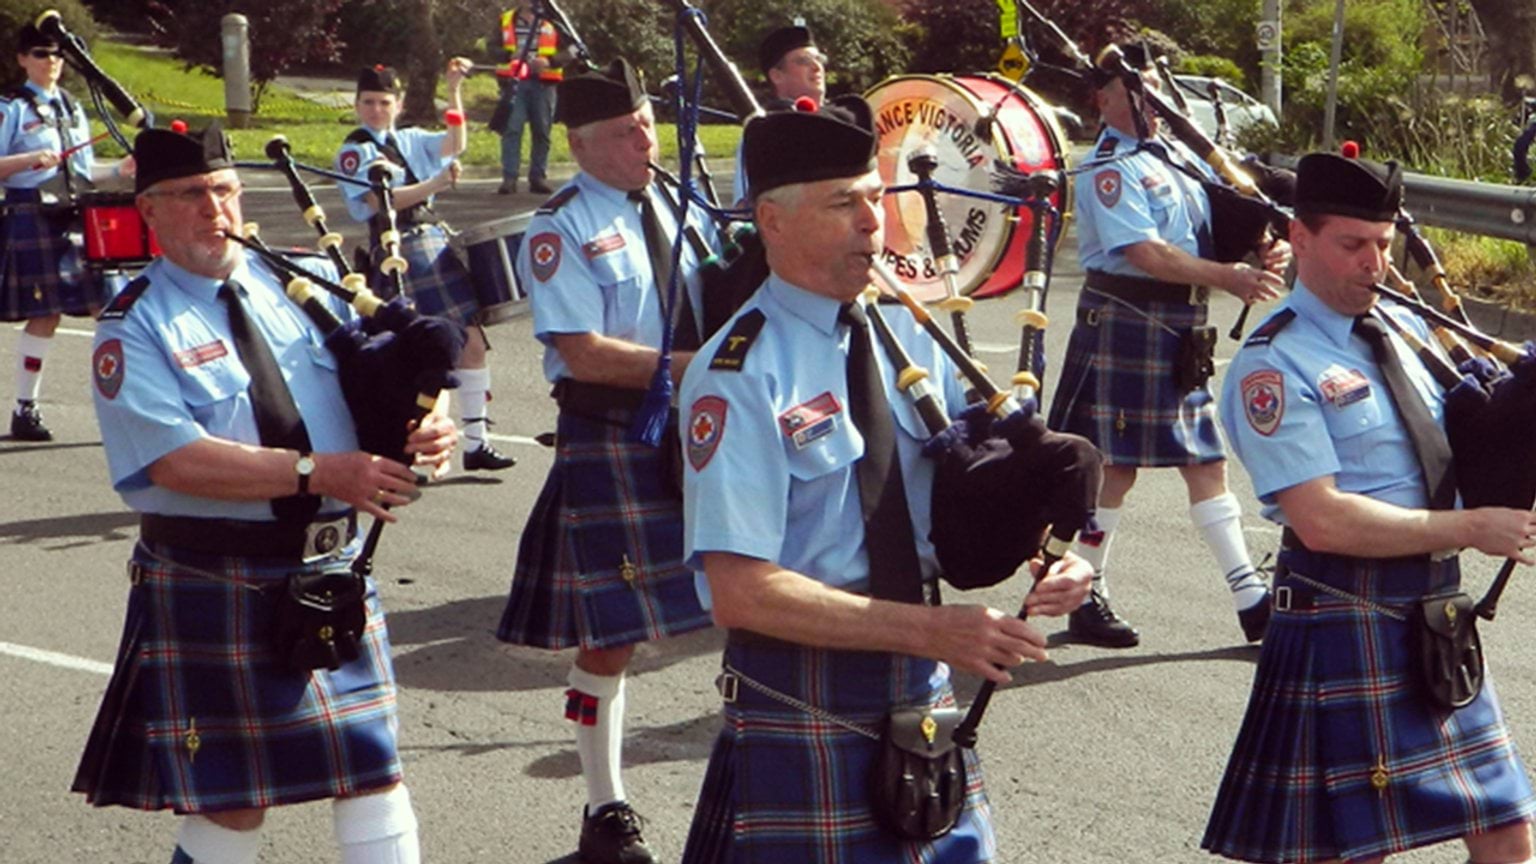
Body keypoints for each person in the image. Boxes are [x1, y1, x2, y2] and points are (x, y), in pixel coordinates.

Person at [677, 97, 1093, 862]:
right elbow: (739, 591)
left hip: (920, 686)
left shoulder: (907, 327)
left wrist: (1050, 551)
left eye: (876, 197)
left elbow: (972, 478)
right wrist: (936, 630)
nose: (874, 223)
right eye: (844, 204)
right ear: (772, 221)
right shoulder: (737, 374)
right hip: (804, 686)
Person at [71, 121, 457, 864]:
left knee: (375, 773)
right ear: (148, 211)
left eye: (223, 190)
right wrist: (318, 473)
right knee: (233, 805)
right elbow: (175, 461)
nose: (213, 209)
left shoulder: (303, 283)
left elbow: (390, 376)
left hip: (331, 568)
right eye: (189, 195)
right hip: (220, 573)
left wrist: (429, 424)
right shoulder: (135, 324)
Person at [1204, 151, 1536, 863]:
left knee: (1507, 830)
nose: (1373, 263)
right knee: (1351, 851)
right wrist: (1473, 527)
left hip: (1434, 619)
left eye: (1383, 245)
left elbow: (1468, 442)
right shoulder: (1273, 365)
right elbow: (1321, 519)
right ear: (1299, 239)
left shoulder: (1407, 334)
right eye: (1352, 245)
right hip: (1341, 612)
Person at [497, 58, 718, 864]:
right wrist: (698, 367)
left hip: (705, 426)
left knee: (752, 597)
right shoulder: (560, 227)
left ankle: (759, 776)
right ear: (582, 143)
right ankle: (605, 810)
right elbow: (583, 354)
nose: (646, 141)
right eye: (627, 133)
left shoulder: (680, 201)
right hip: (616, 431)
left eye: (650, 125)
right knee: (613, 637)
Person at [1047, 44, 1288, 647]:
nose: (1150, 96)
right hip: (1128, 315)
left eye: (1154, 84)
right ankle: (1088, 592)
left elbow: (1219, 219)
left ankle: (1251, 602)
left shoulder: (1176, 151)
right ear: (1103, 100)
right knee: (1116, 468)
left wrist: (1260, 246)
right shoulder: (1111, 166)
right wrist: (1228, 277)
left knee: (1205, 461)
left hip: (1180, 324)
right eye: (1136, 88)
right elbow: (1146, 252)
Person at [336, 62, 514, 472]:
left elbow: (454, 142)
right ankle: (407, 449)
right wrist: (435, 185)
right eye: (368, 102)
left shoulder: (410, 138)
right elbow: (380, 202)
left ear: (397, 105)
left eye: (384, 102)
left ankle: (477, 442)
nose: (376, 110)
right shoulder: (355, 151)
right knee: (418, 353)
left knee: (470, 340)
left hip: (431, 241)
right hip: (395, 243)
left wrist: (453, 92)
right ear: (357, 105)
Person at [1, 22, 133, 441]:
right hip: (32, 214)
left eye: (57, 54)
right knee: (45, 314)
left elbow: (86, 170)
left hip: (78, 214)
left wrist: (121, 170)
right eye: (41, 53)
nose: (51, 62)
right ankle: (26, 409)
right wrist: (27, 161)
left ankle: (128, 409)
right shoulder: (11, 108)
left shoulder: (73, 107)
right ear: (23, 59)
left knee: (109, 310)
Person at [729, 23, 826, 206]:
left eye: (819, 59)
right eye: (804, 61)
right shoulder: (762, 133)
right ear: (777, 76)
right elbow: (745, 208)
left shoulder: (843, 123)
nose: (816, 67)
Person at [490, 4, 568, 196]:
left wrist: (550, 61)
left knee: (542, 130)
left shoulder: (555, 20)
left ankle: (538, 177)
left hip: (545, 83)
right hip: (514, 81)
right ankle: (509, 179)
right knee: (512, 128)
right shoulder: (506, 19)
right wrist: (510, 55)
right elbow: (491, 48)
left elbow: (572, 51)